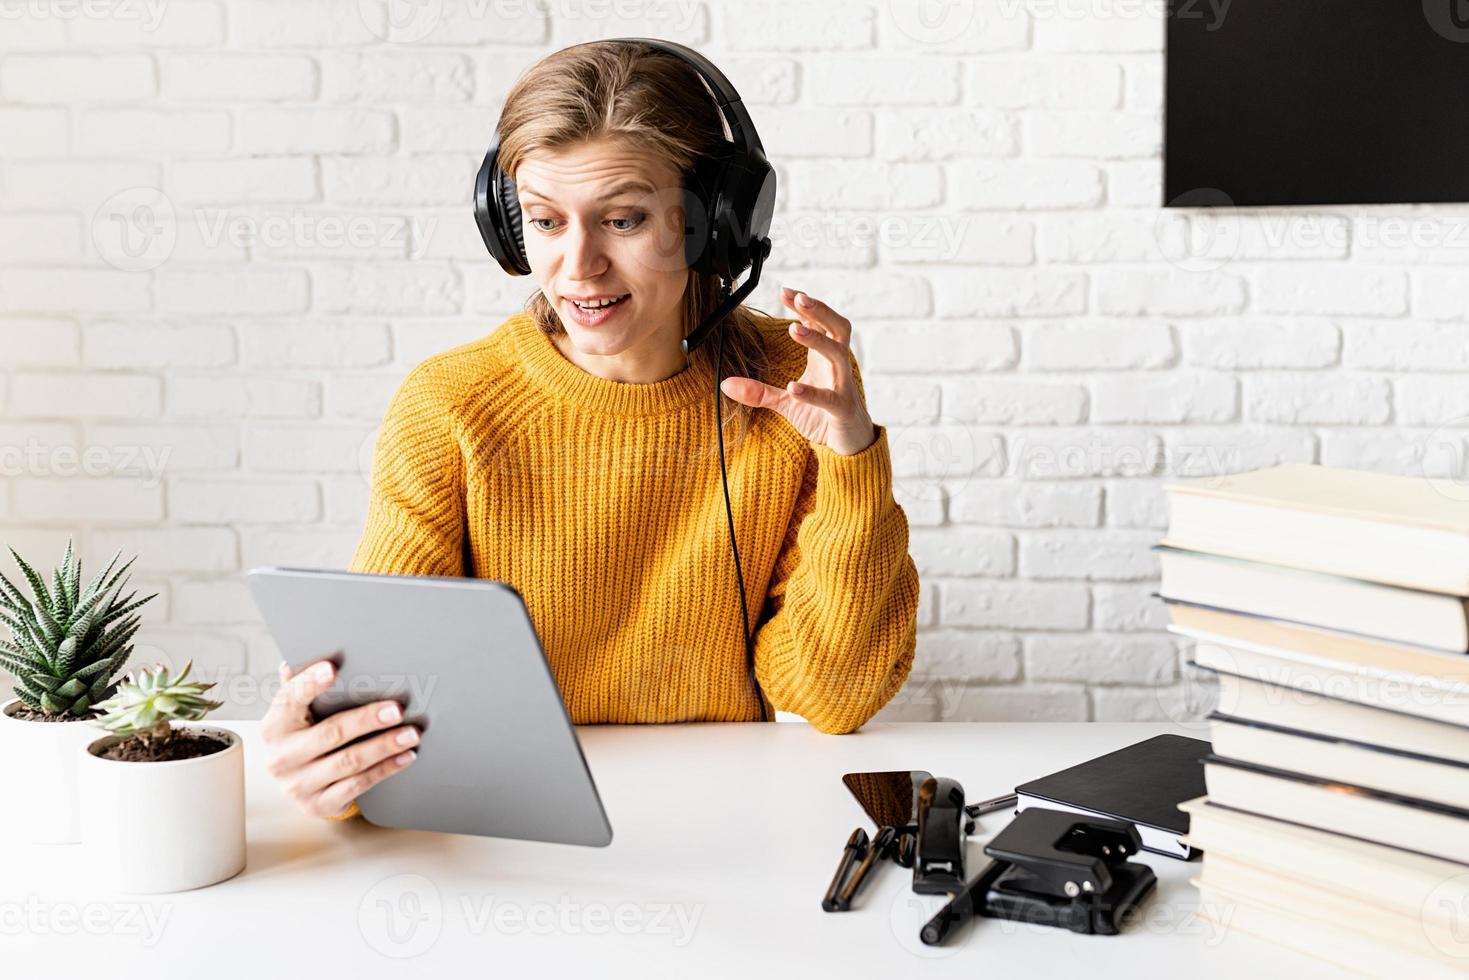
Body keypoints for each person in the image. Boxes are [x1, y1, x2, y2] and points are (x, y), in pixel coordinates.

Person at [261, 40, 920, 822]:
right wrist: (325, 761)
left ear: (713, 222)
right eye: (543, 221)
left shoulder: (788, 386)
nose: (578, 266)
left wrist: (851, 463)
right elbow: (387, 690)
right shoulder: (450, 404)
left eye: (623, 218)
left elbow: (830, 696)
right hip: (513, 822)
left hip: (727, 816)